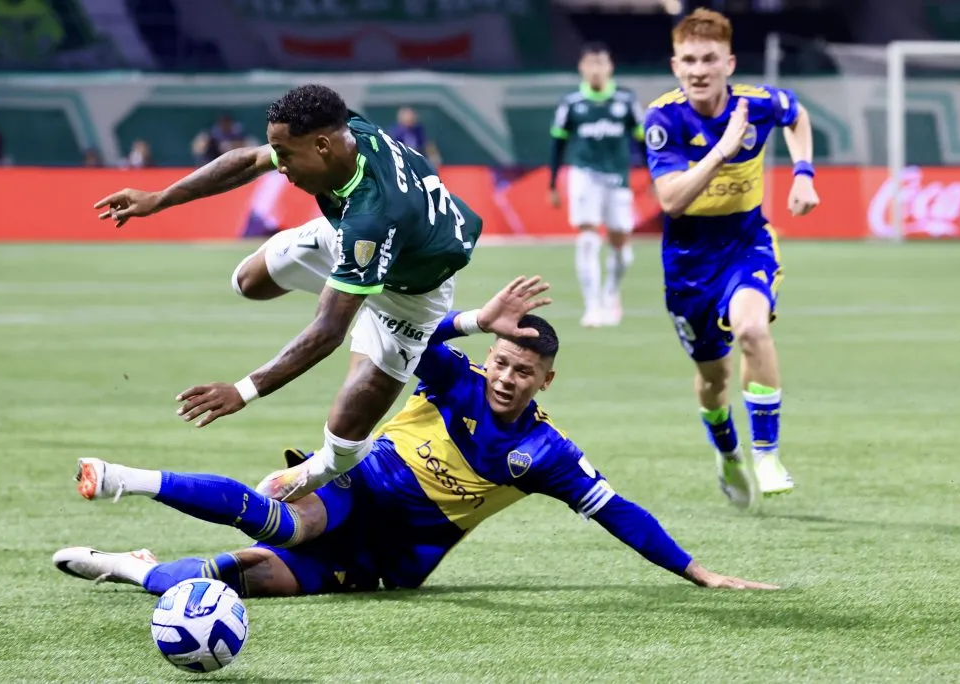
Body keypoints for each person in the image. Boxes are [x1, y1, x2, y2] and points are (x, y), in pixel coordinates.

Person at [53, 277, 778, 596]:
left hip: (391, 560)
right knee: (280, 520)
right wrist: (473, 320)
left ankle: (131, 567)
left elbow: (619, 512)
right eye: (500, 361)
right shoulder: (453, 377)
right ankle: (126, 480)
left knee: (226, 579)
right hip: (352, 490)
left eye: (522, 371)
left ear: (543, 382)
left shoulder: (546, 455)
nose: (504, 377)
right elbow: (410, 326)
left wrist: (697, 570)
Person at [92, 84, 485, 504]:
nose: (279, 165)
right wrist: (159, 199)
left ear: (321, 146)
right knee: (248, 282)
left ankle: (318, 469)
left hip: (411, 294)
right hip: (351, 241)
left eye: (287, 154)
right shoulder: (342, 129)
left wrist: (242, 390)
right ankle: (342, 271)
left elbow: (329, 330)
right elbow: (248, 160)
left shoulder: (372, 216)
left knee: (345, 447)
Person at [643, 9, 819, 510]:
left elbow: (796, 113)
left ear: (729, 62)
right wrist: (721, 149)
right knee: (712, 378)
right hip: (688, 263)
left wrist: (804, 172)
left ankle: (768, 453)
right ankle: (728, 454)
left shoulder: (759, 103)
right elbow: (672, 200)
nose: (700, 69)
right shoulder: (663, 118)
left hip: (746, 243)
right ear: (676, 66)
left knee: (752, 330)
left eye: (710, 59)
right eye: (690, 60)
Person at [549, 42, 646, 328]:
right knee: (588, 238)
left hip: (618, 181)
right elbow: (558, 143)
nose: (595, 69)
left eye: (600, 63)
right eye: (589, 63)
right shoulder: (572, 103)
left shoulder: (627, 100)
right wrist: (552, 183)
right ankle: (592, 306)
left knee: (621, 248)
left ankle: (611, 294)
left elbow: (643, 140)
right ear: (581, 67)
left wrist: (654, 177)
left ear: (610, 66)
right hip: (583, 176)